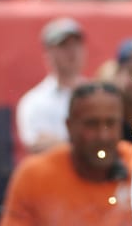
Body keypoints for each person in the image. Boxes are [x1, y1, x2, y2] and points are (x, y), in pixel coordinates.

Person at [0, 82, 132, 226]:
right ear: (70, 127)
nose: (103, 135)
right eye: (92, 124)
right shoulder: (34, 175)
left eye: (111, 123)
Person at [16, 17, 87, 154]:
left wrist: (61, 144)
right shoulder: (33, 101)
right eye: (63, 45)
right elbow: (38, 147)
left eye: (76, 44)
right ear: (48, 54)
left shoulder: (98, 94)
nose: (71, 51)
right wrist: (82, 145)